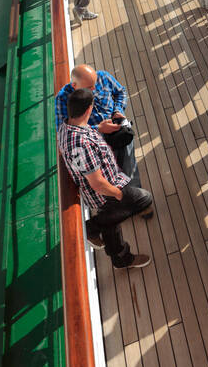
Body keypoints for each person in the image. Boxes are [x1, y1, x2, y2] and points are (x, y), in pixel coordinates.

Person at [57, 88, 152, 271]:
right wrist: (117, 194)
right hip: (105, 191)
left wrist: (99, 129)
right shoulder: (81, 144)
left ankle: (121, 258)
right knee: (143, 198)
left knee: (112, 220)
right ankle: (92, 227)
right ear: (88, 110)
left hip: (107, 184)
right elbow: (97, 183)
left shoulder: (66, 126)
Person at [55, 63, 139, 181]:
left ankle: (133, 192)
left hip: (117, 129)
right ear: (74, 85)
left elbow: (121, 92)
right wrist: (98, 128)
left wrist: (118, 110)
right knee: (109, 174)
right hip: (96, 139)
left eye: (95, 84)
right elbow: (63, 130)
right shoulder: (63, 99)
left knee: (130, 167)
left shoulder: (103, 77)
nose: (94, 89)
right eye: (89, 87)